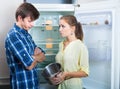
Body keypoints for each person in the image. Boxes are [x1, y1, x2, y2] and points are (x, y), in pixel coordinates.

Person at [5, 3, 45, 89]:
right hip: (23, 86)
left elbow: (42, 55)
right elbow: (29, 65)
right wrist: (36, 57)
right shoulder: (13, 36)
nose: (32, 24)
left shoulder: (26, 34)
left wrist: (32, 57)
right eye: (29, 21)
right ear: (20, 18)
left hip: (34, 84)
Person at [53, 15, 89, 89]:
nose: (60, 29)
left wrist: (66, 74)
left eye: (63, 26)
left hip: (73, 86)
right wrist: (55, 76)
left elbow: (85, 73)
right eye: (59, 26)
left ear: (73, 28)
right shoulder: (61, 44)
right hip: (60, 86)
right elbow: (61, 66)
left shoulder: (80, 46)